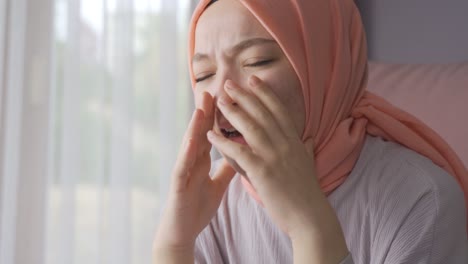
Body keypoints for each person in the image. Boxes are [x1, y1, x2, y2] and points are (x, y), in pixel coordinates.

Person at [153, 0, 468, 263]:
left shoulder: (422, 198)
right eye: (203, 74)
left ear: (326, 70)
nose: (222, 96)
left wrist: (309, 227)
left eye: (256, 61)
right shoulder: (211, 199)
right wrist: (174, 245)